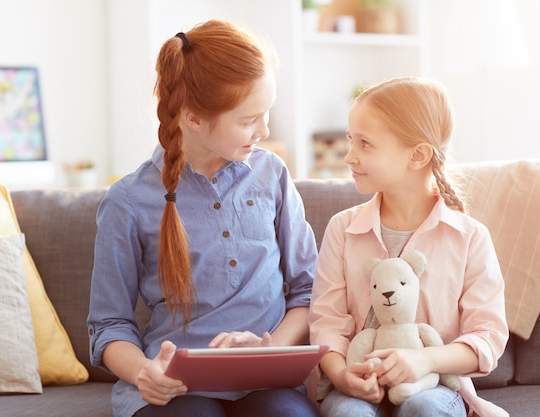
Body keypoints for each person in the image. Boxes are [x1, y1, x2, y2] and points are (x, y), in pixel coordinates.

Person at [87, 20, 320, 417]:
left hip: (264, 384)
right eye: (248, 120)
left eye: (266, 114)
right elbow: (109, 325)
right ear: (193, 117)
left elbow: (307, 291)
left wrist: (273, 347)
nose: (264, 130)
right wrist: (145, 372)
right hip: (176, 393)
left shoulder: (272, 176)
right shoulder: (128, 200)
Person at [308, 76, 509, 417]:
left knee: (424, 409)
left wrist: (423, 360)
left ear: (417, 155)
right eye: (350, 141)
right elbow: (327, 322)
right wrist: (342, 374)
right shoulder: (342, 229)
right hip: (355, 388)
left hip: (433, 385)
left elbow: (487, 336)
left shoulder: (469, 237)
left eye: (365, 144)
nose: (349, 157)